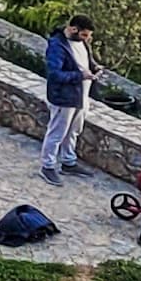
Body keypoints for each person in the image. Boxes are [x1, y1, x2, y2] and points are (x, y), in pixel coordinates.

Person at [38, 13, 94, 183]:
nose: (87, 39)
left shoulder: (81, 42)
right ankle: (47, 166)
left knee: (73, 131)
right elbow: (55, 74)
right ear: (73, 29)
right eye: (84, 35)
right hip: (64, 97)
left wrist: (94, 67)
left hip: (80, 96)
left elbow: (86, 61)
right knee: (57, 132)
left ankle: (68, 161)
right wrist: (80, 75)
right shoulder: (57, 46)